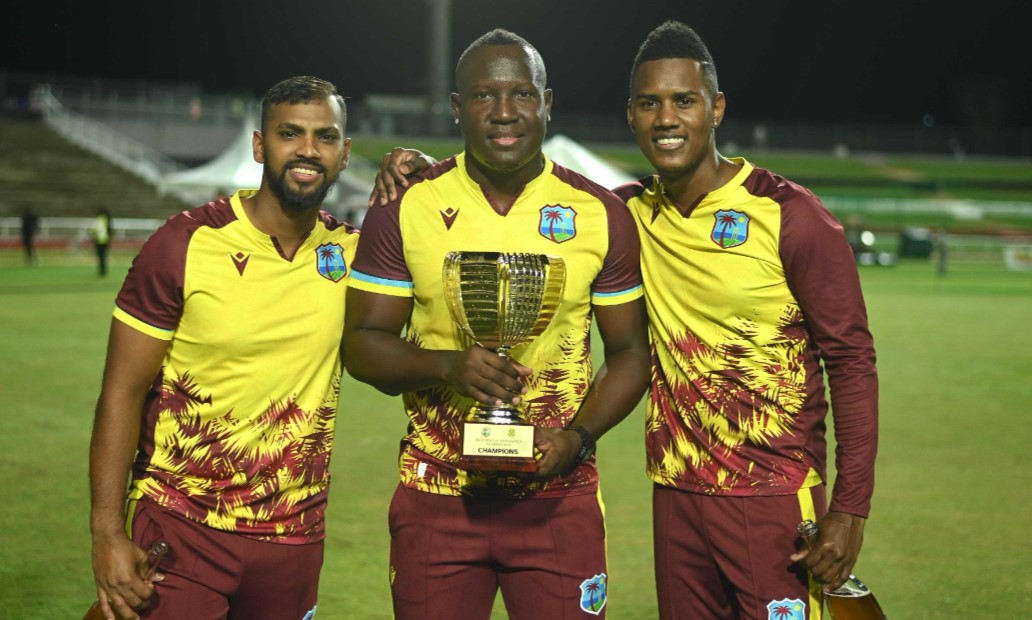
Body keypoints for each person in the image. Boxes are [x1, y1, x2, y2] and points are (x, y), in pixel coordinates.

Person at [371, 20, 879, 620]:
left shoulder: (790, 215)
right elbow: (518, 200)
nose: (667, 119)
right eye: (650, 103)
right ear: (632, 115)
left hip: (770, 492)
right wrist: (431, 170)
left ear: (715, 108)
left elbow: (850, 359)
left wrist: (849, 509)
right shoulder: (627, 211)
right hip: (675, 495)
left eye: (684, 101)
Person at [342, 29, 650, 620]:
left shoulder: (598, 212)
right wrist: (446, 367)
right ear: (458, 108)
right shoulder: (406, 205)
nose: (505, 112)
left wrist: (578, 439)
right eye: (484, 96)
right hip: (437, 496)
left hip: (557, 498)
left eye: (522, 94)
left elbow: (631, 351)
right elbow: (362, 347)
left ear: (547, 102)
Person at [88, 75, 358, 620]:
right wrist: (106, 531)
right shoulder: (185, 244)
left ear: (345, 153)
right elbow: (121, 392)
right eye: (290, 133)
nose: (308, 150)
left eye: (325, 137)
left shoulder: (354, 255)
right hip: (181, 526)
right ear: (260, 145)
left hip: (295, 536)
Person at [91, 207, 113, 276]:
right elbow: (110, 231)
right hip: (105, 240)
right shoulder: (108, 219)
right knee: (103, 256)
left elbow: (95, 230)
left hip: (99, 240)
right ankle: (103, 270)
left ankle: (102, 271)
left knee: (100, 256)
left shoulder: (99, 220)